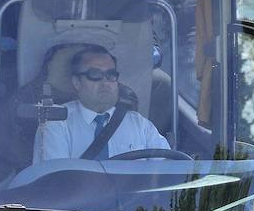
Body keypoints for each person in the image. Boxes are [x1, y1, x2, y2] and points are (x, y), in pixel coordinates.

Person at [34, 45, 169, 162]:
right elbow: (54, 183)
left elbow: (166, 171)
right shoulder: (56, 124)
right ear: (77, 82)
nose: (105, 83)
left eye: (111, 75)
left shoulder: (140, 125)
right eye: (95, 74)